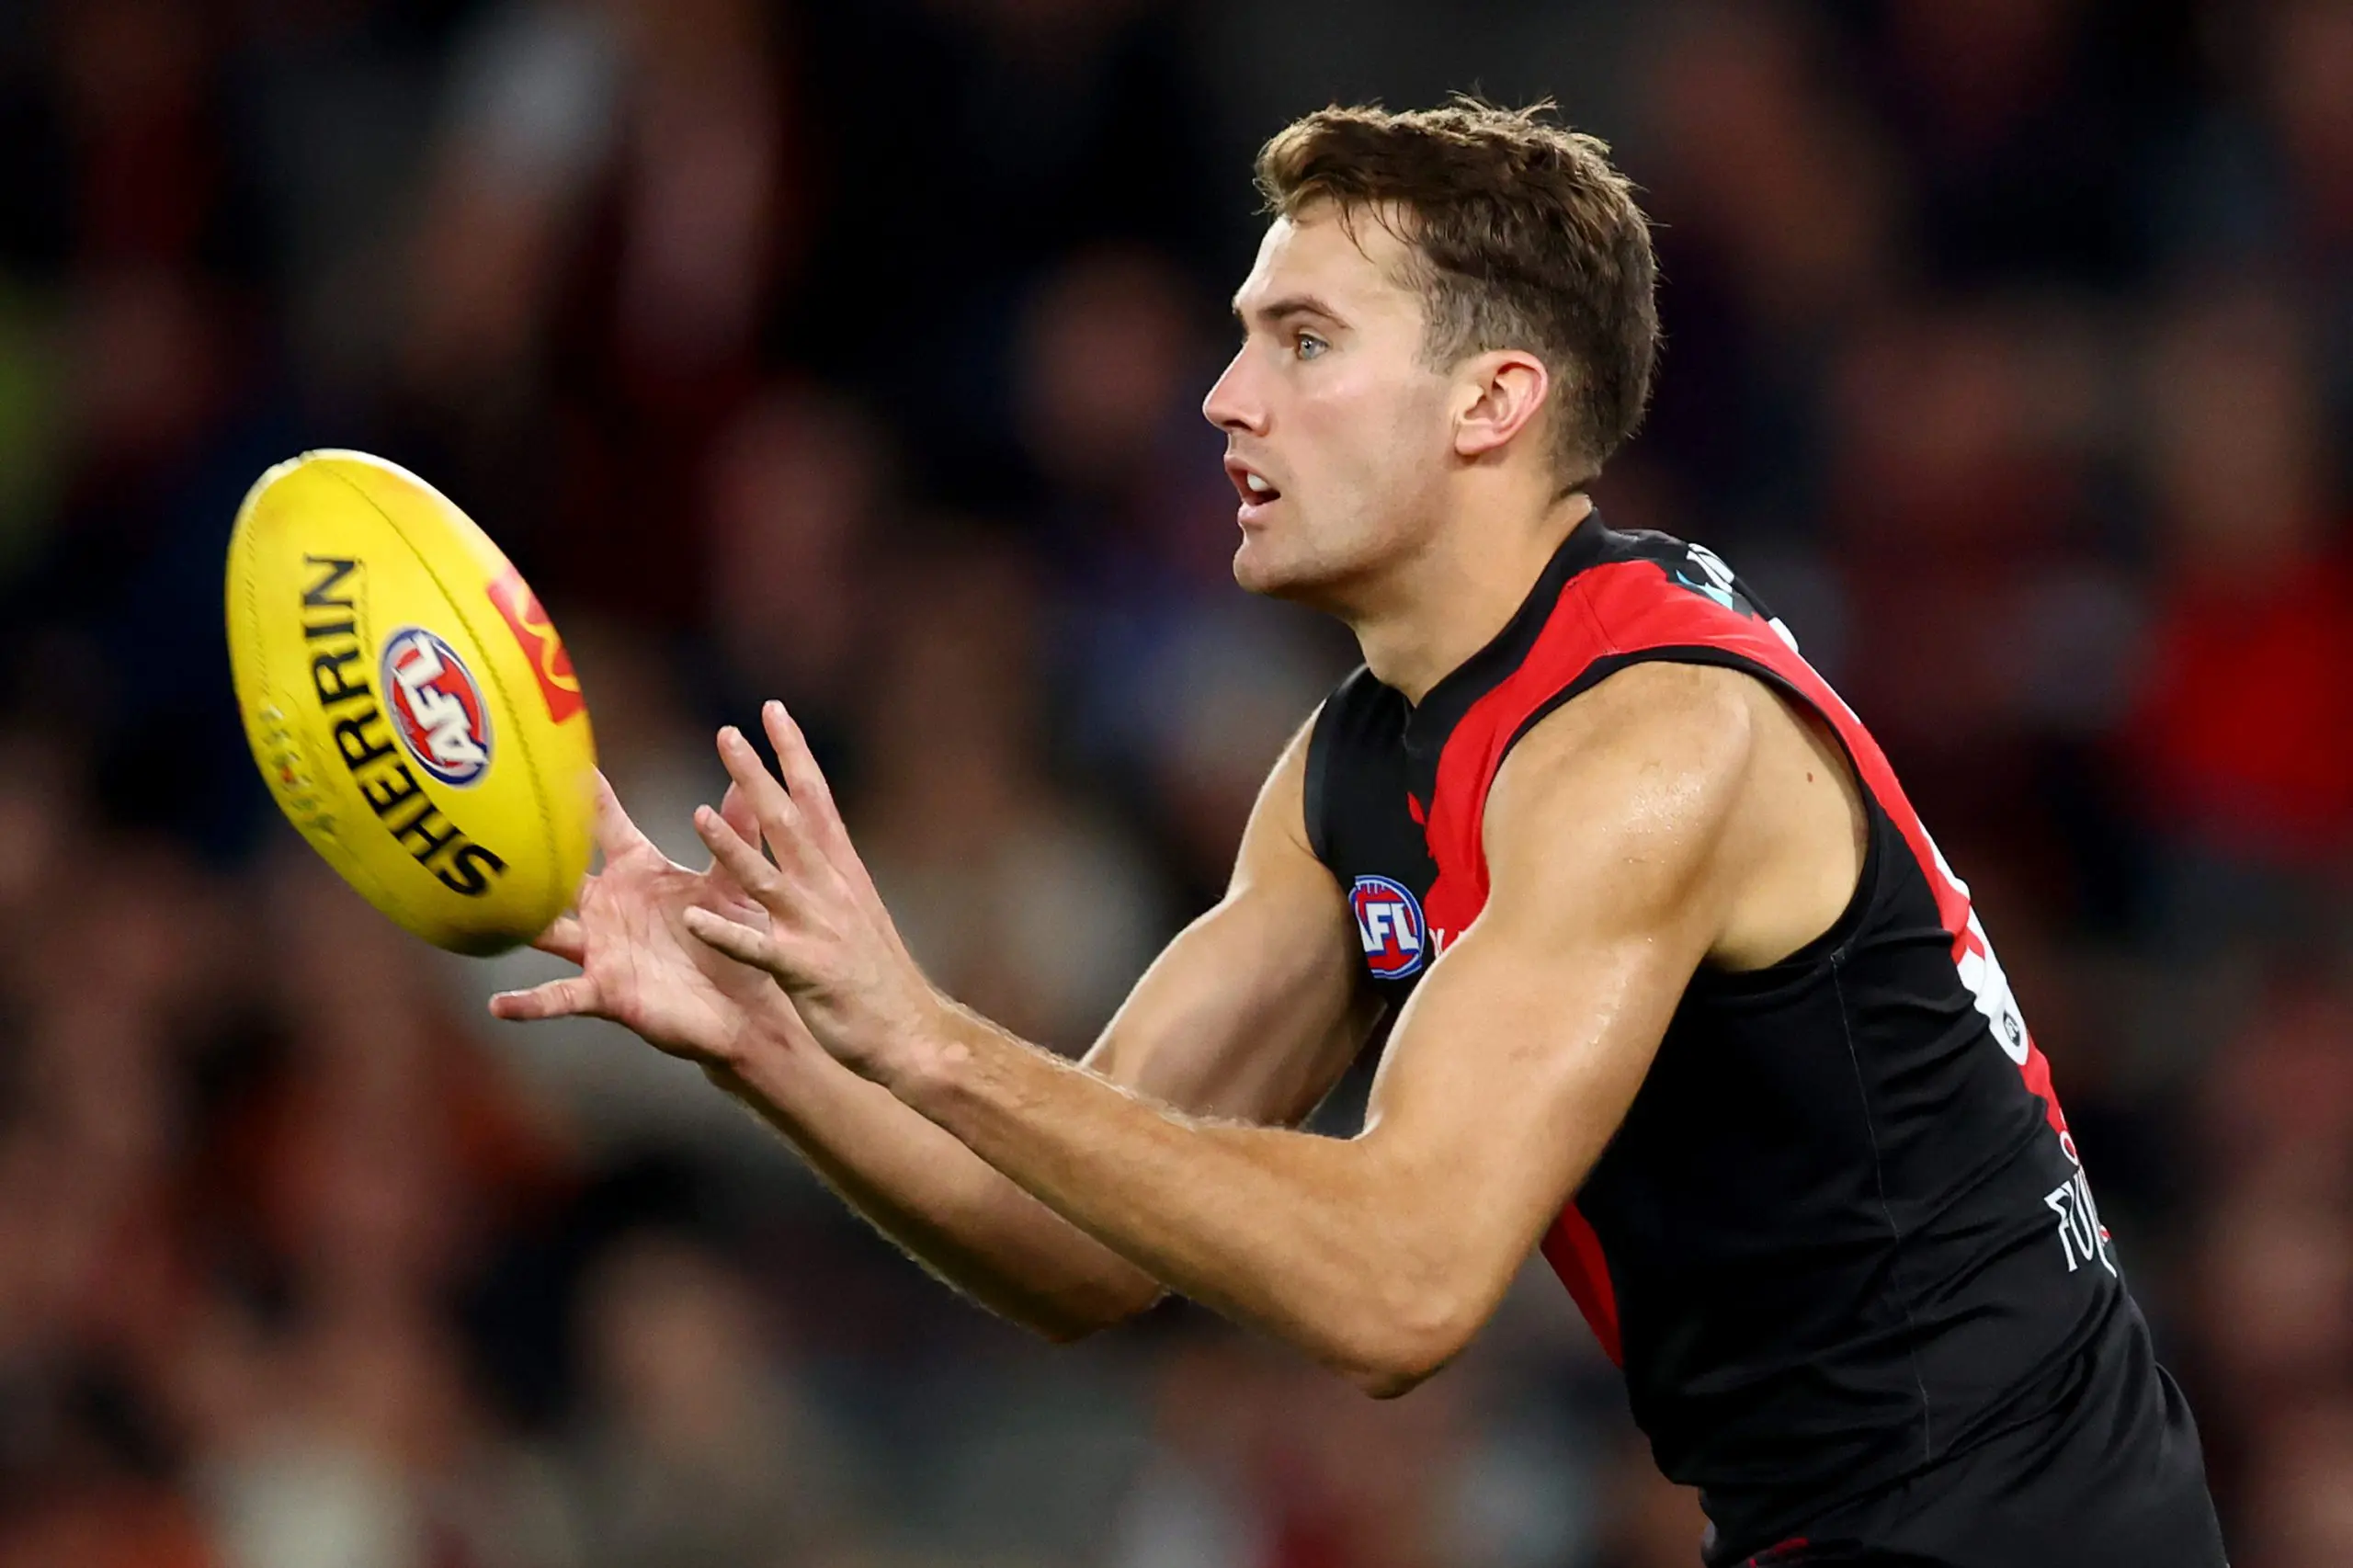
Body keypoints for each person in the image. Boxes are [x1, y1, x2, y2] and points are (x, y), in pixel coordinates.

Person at [491, 101, 2227, 1567]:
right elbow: (1077, 1239)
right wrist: (763, 1035)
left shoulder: (1656, 739)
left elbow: (1405, 1285)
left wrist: (934, 1039)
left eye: (1303, 343)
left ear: (1493, 405)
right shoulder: (1351, 772)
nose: (1224, 399)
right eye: (1246, 336)